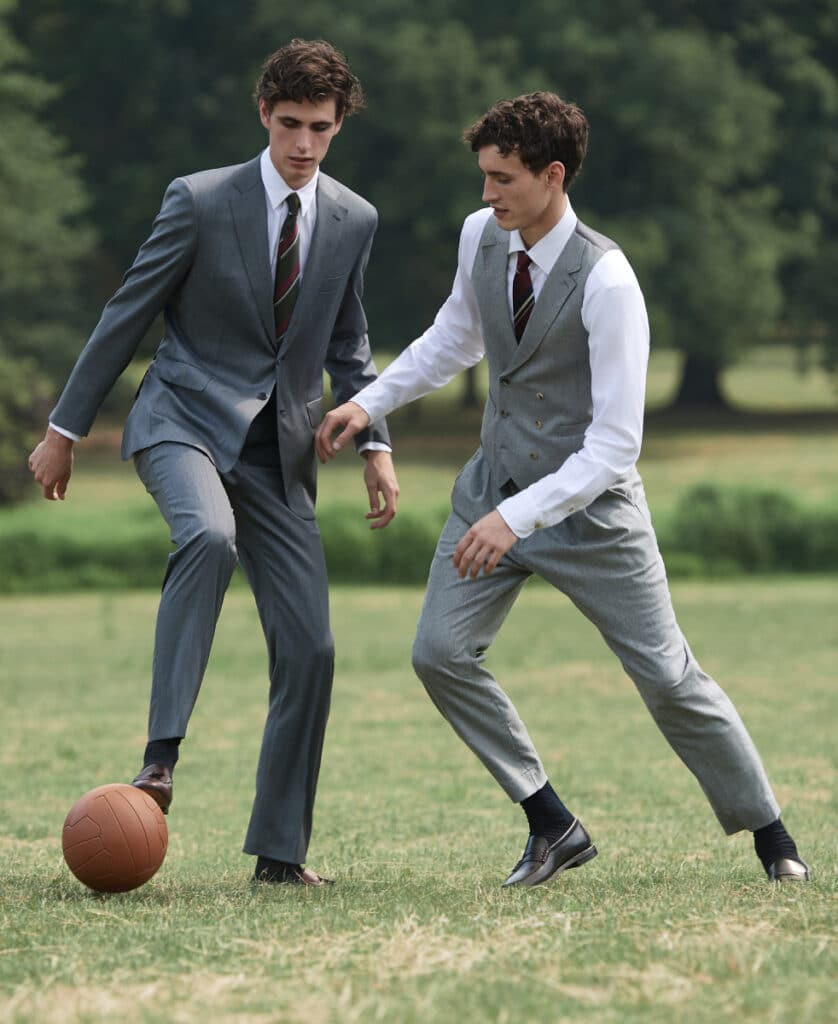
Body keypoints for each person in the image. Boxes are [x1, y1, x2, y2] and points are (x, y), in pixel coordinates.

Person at [315, 91, 809, 886]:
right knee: (439, 653)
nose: (486, 195)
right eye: (483, 176)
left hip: (591, 512)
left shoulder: (610, 282)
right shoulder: (484, 234)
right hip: (493, 490)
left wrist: (518, 517)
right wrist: (370, 401)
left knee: (668, 677)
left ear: (552, 176)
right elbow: (456, 336)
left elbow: (617, 444)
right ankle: (552, 822)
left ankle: (773, 836)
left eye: (502, 178)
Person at [28, 39, 398, 886]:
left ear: (340, 127)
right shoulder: (197, 201)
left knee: (311, 648)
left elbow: (349, 341)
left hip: (280, 453)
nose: (305, 144)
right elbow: (128, 313)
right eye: (291, 124)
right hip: (183, 418)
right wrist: (63, 429)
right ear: (264, 115)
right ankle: (160, 756)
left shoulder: (355, 218)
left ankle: (279, 854)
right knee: (207, 537)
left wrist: (374, 441)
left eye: (322, 129)